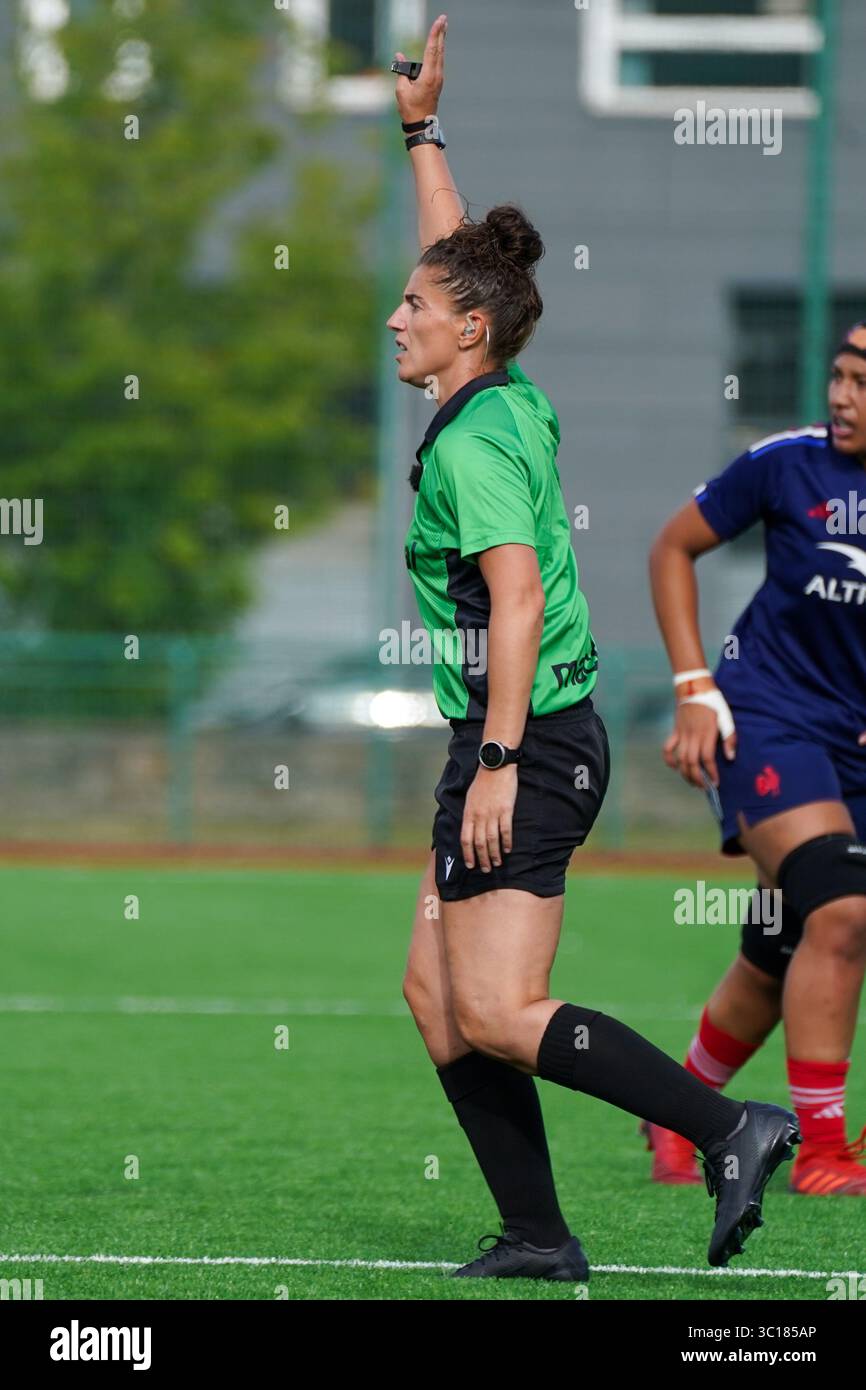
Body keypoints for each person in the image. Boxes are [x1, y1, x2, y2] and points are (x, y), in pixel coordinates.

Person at [390, 15, 799, 1280]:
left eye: (414, 306)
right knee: (435, 997)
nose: (396, 317)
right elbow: (454, 259)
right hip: (518, 730)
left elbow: (512, 602)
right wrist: (421, 133)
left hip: (533, 739)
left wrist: (500, 759)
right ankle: (536, 1233)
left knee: (501, 1012)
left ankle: (730, 1124)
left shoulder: (470, 442)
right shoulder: (498, 383)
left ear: (467, 329)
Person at [647, 323, 866, 1195]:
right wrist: (695, 687)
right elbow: (673, 547)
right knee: (844, 914)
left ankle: (679, 1111)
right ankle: (822, 1147)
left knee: (781, 949)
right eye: (841, 376)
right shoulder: (786, 463)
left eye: (863, 382)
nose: (842, 395)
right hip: (769, 721)